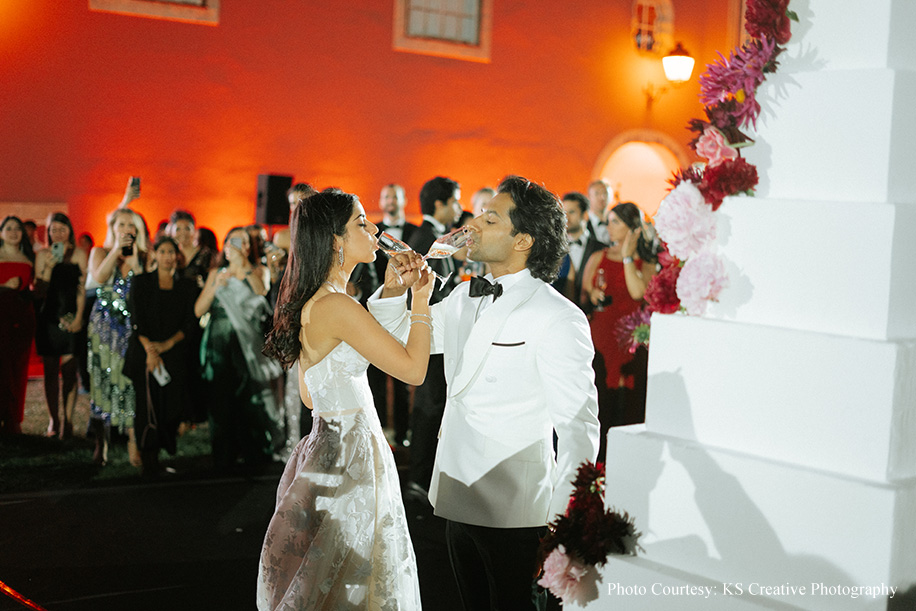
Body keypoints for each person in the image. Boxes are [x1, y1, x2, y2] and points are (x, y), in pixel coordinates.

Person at [370, 175, 601, 610]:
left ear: (523, 241)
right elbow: (398, 342)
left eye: (490, 218)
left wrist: (562, 523)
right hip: (457, 493)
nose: (473, 223)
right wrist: (400, 291)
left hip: (518, 510)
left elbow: (578, 429)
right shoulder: (461, 296)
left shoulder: (558, 317)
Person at [257, 188, 431, 610]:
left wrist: (391, 294)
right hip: (353, 452)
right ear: (335, 239)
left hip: (327, 443)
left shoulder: (317, 301)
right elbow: (413, 369)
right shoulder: (338, 305)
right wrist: (421, 299)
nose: (374, 229)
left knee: (337, 579)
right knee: (362, 574)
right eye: (361, 222)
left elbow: (309, 395)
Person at [195, 227, 283, 471]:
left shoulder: (259, 271)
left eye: (243, 242)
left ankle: (255, 451)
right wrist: (215, 286)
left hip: (247, 343)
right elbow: (198, 310)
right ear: (224, 246)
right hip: (220, 341)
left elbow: (261, 290)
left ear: (248, 247)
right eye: (232, 241)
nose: (236, 246)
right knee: (221, 398)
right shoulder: (216, 273)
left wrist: (242, 265)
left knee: (250, 398)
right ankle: (224, 455)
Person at [404, 176, 463, 496]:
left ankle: (424, 474)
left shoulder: (434, 236)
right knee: (429, 402)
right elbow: (429, 291)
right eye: (455, 201)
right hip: (432, 332)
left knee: (434, 400)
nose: (458, 207)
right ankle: (420, 476)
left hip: (437, 332)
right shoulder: (426, 237)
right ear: (439, 204)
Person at [581, 202, 659, 440]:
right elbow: (583, 294)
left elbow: (638, 293)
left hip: (630, 341)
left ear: (633, 228)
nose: (609, 227)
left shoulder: (647, 264)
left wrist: (627, 258)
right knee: (600, 398)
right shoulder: (598, 256)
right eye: (609, 221)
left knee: (627, 404)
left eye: (616, 222)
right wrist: (592, 294)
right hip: (601, 337)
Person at [125, 236, 198, 478]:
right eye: (163, 251)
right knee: (147, 407)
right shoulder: (141, 282)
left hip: (173, 354)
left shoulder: (185, 286)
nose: (167, 256)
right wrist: (151, 351)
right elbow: (136, 320)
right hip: (145, 355)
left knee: (170, 407)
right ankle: (148, 460)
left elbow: (189, 323)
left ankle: (160, 453)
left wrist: (167, 345)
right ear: (155, 254)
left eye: (171, 252)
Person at [87, 193, 150, 465]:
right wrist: (116, 250)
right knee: (101, 382)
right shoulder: (99, 251)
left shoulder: (144, 256)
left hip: (129, 328)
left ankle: (133, 440)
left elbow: (144, 288)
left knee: (129, 384)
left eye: (131, 225)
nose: (126, 229)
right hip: (103, 327)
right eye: (121, 224)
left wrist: (135, 259)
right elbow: (99, 277)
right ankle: (101, 443)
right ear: (113, 229)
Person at [369, 183, 418, 446]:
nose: (390, 201)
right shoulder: (372, 233)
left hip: (406, 305)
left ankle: (402, 432)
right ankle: (378, 430)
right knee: (375, 371)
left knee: (402, 371)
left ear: (403, 200)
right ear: (381, 200)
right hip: (376, 306)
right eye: (386, 196)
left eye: (394, 197)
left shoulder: (414, 232)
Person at [33, 212, 88, 439]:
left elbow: (82, 289)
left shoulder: (79, 254)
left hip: (71, 317)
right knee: (49, 372)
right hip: (49, 319)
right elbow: (38, 292)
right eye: (53, 230)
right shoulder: (43, 255)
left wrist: (78, 319)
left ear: (69, 231)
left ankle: (68, 420)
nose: (58, 233)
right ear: (48, 233)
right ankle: (53, 420)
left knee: (69, 372)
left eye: (62, 228)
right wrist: (46, 269)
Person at [0, 216, 36, 434]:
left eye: (18, 229)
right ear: (1, 233)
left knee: (18, 366)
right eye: (9, 228)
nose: (14, 232)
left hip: (22, 316)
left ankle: (14, 418)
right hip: (0, 314)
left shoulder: (29, 258)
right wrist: (3, 286)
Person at [552, 191, 605, 310]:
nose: (566, 218)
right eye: (563, 213)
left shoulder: (601, 248)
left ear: (585, 215)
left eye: (572, 212)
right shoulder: (553, 248)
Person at [168, 209, 214, 288]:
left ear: (194, 230)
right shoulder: (170, 255)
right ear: (172, 232)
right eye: (178, 229)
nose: (183, 233)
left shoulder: (205, 255)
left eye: (187, 228)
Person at [587, 179, 613, 245]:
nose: (602, 197)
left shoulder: (617, 221)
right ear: (589, 197)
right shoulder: (583, 223)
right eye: (597, 193)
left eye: (605, 193)